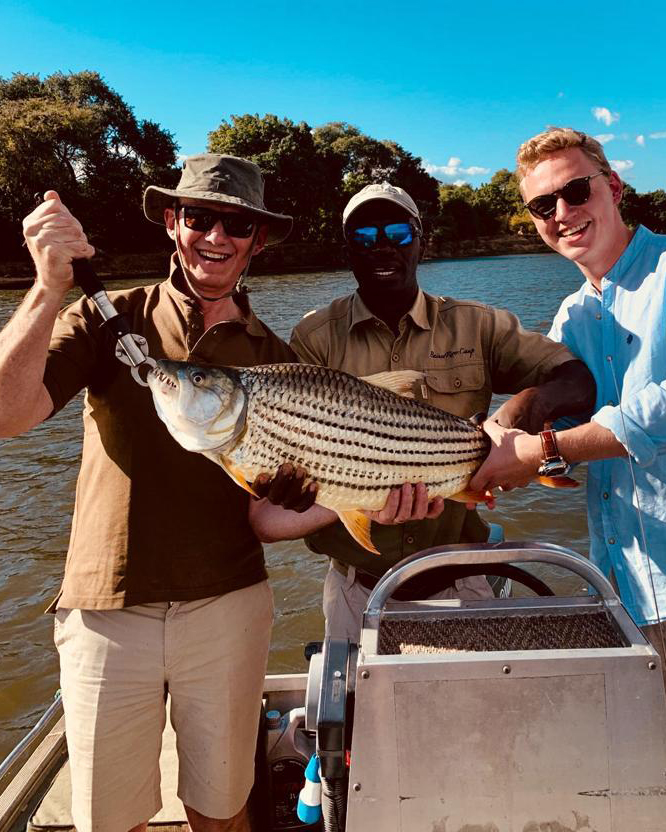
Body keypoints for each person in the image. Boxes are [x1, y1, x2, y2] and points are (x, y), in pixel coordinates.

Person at [469, 127, 666, 829]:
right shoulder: (574, 315)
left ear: (614, 188)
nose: (563, 213)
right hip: (629, 585)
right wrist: (497, 444)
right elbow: (559, 406)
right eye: (543, 206)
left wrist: (539, 448)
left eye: (576, 190)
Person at [0, 154, 296, 832]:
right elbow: (7, 415)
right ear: (172, 220)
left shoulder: (278, 358)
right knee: (108, 821)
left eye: (238, 224)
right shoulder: (108, 318)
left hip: (229, 602)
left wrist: (367, 500)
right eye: (200, 217)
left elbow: (267, 513)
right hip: (106, 609)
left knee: (222, 812)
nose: (217, 237)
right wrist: (47, 289)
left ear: (258, 239)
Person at [249, 181, 597, 640]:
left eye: (398, 232)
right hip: (357, 592)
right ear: (347, 250)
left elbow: (575, 380)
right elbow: (297, 478)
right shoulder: (314, 338)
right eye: (365, 237)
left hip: (463, 580)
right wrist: (345, 495)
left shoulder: (478, 324)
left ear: (422, 241)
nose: (383, 248)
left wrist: (517, 417)